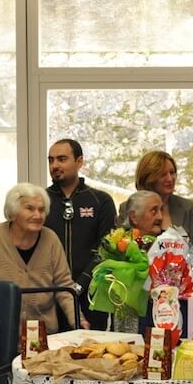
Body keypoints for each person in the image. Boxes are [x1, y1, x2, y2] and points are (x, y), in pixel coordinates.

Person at [0, 183, 79, 333]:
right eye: (29, 208)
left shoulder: (50, 239)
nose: (37, 215)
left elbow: (64, 285)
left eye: (41, 210)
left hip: (43, 332)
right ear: (13, 212)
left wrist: (77, 321)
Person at [44, 139, 117, 331]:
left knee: (92, 354)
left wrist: (80, 284)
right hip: (51, 294)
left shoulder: (101, 200)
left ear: (79, 162)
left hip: (93, 294)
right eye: (51, 160)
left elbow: (106, 249)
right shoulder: (40, 201)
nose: (55, 165)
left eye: (62, 159)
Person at [117, 150, 193, 255]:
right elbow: (120, 251)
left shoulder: (187, 207)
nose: (170, 178)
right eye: (163, 174)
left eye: (172, 172)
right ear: (149, 178)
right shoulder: (128, 208)